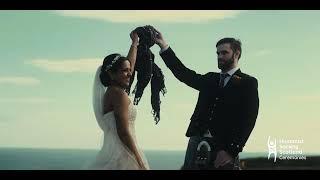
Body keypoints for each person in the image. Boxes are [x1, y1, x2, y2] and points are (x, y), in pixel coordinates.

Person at [154, 29, 259, 170]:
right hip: (196, 140)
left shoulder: (248, 82)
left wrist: (231, 151)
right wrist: (163, 46)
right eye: (218, 53)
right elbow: (183, 73)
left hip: (224, 146)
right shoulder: (210, 78)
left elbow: (249, 119)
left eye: (224, 53)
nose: (219, 56)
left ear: (237, 54)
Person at [88, 30, 150, 170]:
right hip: (123, 156)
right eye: (124, 71)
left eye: (129, 70)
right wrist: (139, 162)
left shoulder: (112, 91)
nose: (129, 74)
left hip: (116, 152)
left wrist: (134, 43)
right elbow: (123, 132)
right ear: (111, 73)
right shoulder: (118, 95)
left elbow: (130, 66)